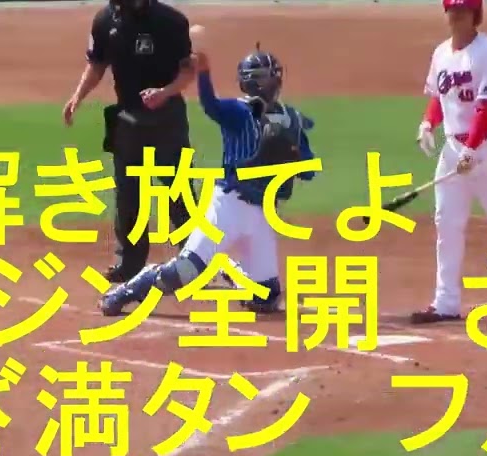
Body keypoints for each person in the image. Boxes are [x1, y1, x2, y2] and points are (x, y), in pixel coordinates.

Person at [98, 45, 318, 316]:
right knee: (185, 271)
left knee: (266, 298)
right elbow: (211, 105)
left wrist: (294, 158)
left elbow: (308, 170)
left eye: (271, 75)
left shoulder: (292, 119)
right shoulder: (239, 112)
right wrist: (204, 73)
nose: (269, 82)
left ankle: (229, 269)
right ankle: (128, 290)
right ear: (249, 81)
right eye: (262, 76)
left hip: (263, 213)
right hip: (229, 206)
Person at [411, 0, 487, 324]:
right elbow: (439, 96)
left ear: (475, 15)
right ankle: (445, 302)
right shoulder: (441, 53)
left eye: (462, 12)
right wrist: (428, 124)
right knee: (446, 222)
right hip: (454, 149)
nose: (456, 17)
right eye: (452, 11)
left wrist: (472, 149)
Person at [64, 0, 195, 283]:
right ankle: (129, 263)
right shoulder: (105, 20)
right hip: (127, 117)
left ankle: (194, 259)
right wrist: (78, 96)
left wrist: (165, 92)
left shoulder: (171, 21)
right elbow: (97, 63)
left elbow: (187, 71)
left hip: (168, 117)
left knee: (179, 189)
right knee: (128, 193)